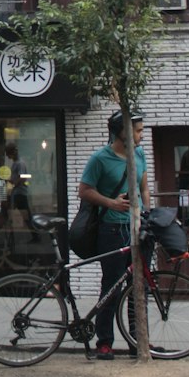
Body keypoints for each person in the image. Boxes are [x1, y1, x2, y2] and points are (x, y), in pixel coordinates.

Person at [79, 109, 151, 361]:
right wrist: (110, 203)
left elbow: (143, 187)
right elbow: (84, 191)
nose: (142, 134)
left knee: (138, 288)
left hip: (137, 228)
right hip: (111, 229)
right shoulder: (100, 158)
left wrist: (146, 215)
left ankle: (138, 341)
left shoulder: (139, 154)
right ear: (122, 132)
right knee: (112, 286)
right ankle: (105, 342)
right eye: (138, 130)